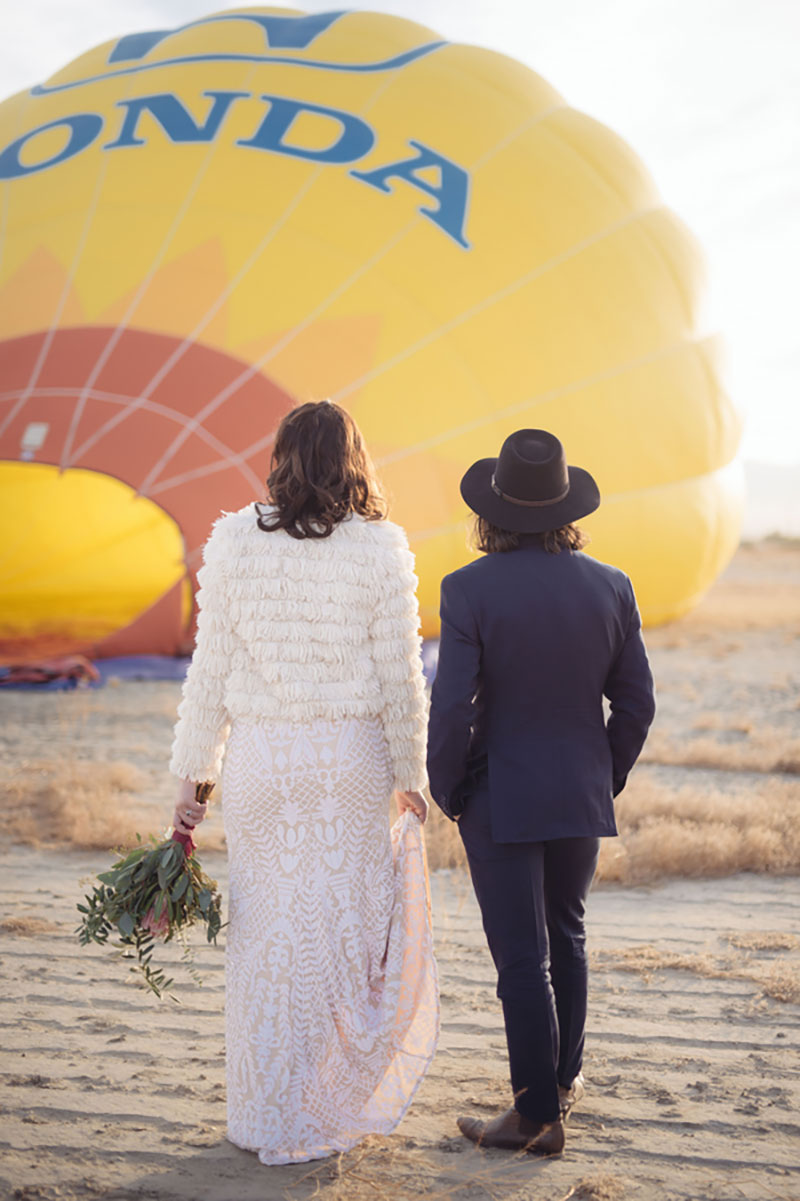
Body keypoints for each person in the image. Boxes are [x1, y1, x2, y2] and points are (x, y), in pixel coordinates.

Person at [168, 400, 438, 1165]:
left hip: (261, 760)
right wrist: (411, 774)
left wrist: (193, 778)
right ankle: (318, 1112)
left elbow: (210, 669)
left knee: (265, 942)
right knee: (337, 938)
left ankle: (261, 1114)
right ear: (355, 459)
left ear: (282, 455)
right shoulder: (382, 547)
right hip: (347, 761)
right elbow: (401, 679)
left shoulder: (231, 541)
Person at [427, 428, 655, 1155]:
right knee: (568, 935)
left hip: (500, 794)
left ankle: (533, 1117)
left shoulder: (468, 588)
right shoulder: (612, 584)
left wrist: (449, 788)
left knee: (521, 958)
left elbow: (453, 704)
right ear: (564, 506)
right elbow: (637, 704)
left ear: (493, 509)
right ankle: (560, 1082)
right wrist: (603, 772)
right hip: (578, 791)